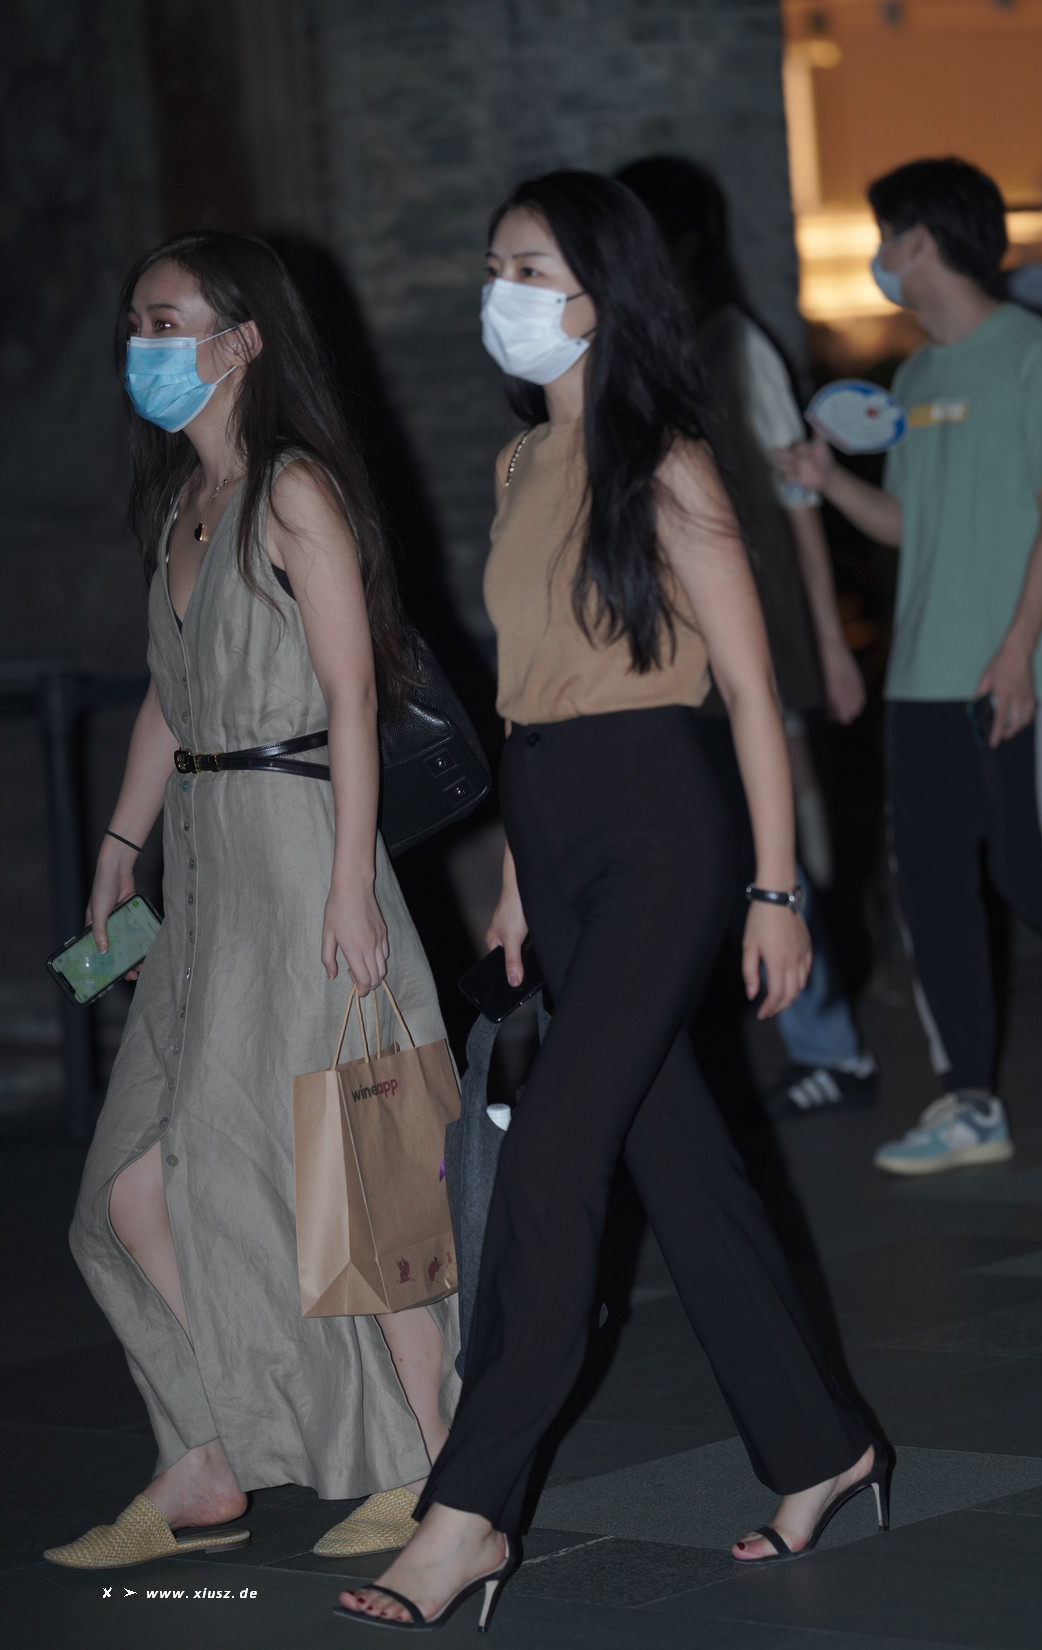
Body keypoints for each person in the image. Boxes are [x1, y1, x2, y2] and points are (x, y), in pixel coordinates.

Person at [336, 170, 885, 1633]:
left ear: (598, 293)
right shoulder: (524, 462)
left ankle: (467, 1514)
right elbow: (528, 697)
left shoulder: (671, 463)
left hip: (662, 824)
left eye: (526, 267)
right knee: (678, 1158)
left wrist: (777, 889)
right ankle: (821, 1446)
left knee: (554, 1157)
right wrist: (517, 879)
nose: (498, 292)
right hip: (555, 823)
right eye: (494, 264)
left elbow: (755, 695)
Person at [46, 230, 460, 1570]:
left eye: (166, 321)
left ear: (242, 340)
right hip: (205, 860)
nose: (143, 345)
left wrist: (349, 886)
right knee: (131, 1188)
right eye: (135, 321)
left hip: (297, 843)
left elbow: (352, 693)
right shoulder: (184, 501)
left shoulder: (293, 489)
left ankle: (429, 1458)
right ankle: (209, 1447)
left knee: (352, 1160)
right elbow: (171, 694)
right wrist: (119, 844)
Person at [774, 157, 1042, 1175]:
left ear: (918, 241)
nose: (878, 257)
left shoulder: (1038, 355)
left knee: (1040, 883)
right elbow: (908, 524)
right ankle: (968, 1103)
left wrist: (1018, 651)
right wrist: (829, 482)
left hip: (1024, 669)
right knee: (931, 894)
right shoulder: (914, 378)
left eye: (885, 236)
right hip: (922, 679)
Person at [615, 154, 877, 1118]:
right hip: (672, 646)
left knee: (777, 836)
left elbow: (796, 500)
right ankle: (813, 1031)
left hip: (747, 637)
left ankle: (830, 1035)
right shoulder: (643, 350)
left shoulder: (734, 343)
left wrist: (828, 644)